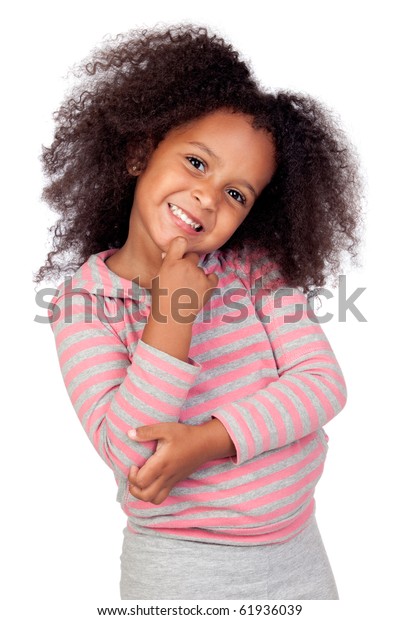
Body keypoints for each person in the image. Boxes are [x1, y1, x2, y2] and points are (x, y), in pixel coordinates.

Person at [36, 25, 362, 600]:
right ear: (140, 152)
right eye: (196, 162)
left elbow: (323, 386)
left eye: (238, 193)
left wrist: (209, 441)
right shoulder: (85, 305)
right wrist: (172, 313)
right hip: (179, 568)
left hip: (298, 551)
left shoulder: (253, 270)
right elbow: (135, 455)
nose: (209, 196)